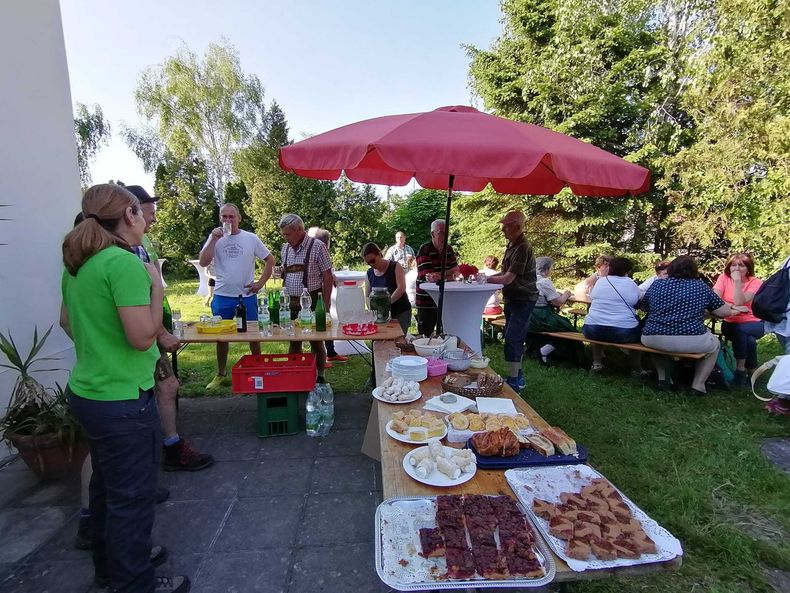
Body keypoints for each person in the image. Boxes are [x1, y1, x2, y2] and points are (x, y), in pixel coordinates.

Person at [60, 184, 190, 593]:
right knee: (132, 500)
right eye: (139, 211)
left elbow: (66, 322)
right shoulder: (122, 263)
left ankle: (109, 571)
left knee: (105, 490)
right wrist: (157, 288)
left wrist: (100, 347)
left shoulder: (79, 265)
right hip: (123, 400)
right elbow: (141, 337)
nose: (145, 219)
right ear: (129, 215)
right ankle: (135, 583)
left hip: (89, 393)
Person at [126, 185, 214, 470]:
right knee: (163, 387)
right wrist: (161, 333)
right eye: (148, 212)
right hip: (144, 334)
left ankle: (165, 446)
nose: (153, 218)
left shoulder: (142, 242)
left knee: (164, 386)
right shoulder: (124, 252)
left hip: (151, 328)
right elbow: (138, 297)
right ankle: (168, 449)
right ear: (131, 212)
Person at [640, 256, 747, 394]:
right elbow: (723, 312)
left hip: (652, 337)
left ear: (671, 269)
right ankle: (698, 385)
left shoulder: (657, 284)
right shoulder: (700, 286)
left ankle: (663, 378)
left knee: (658, 348)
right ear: (694, 270)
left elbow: (644, 306)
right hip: (690, 339)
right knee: (715, 344)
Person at [199, 204, 275, 390]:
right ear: (220, 218)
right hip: (222, 295)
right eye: (224, 216)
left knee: (253, 335)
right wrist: (213, 239)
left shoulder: (250, 238)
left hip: (246, 295)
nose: (227, 220)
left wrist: (260, 283)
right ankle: (221, 373)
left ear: (239, 218)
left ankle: (258, 368)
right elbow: (203, 261)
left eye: (231, 216)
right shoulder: (215, 238)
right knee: (221, 337)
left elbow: (270, 260)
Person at [487, 211, 539, 392]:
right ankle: (516, 376)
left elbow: (508, 278)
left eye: (506, 226)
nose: (502, 229)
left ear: (517, 227)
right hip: (513, 299)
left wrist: (485, 279)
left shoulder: (523, 247)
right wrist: (484, 276)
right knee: (513, 338)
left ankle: (515, 381)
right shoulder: (513, 245)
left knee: (513, 338)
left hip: (523, 299)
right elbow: (504, 273)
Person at [279, 214, 334, 382]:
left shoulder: (318, 246)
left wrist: (325, 304)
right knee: (293, 340)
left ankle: (320, 376)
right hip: (290, 302)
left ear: (299, 230)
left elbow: (328, 276)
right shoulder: (285, 248)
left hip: (312, 301)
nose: (285, 238)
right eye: (284, 234)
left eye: (288, 234)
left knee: (316, 341)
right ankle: (295, 375)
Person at [582, 257, 646, 375]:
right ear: (628, 271)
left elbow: (592, 296)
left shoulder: (601, 281)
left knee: (598, 323)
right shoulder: (630, 283)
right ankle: (637, 369)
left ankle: (597, 363)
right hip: (623, 332)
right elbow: (637, 299)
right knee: (641, 331)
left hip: (592, 329)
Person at [712, 252, 765, 386]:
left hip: (754, 323)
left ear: (748, 268)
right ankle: (752, 370)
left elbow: (740, 301)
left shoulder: (756, 282)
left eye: (741, 266)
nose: (736, 269)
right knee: (749, 340)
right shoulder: (723, 278)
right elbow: (715, 300)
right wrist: (733, 306)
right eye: (733, 265)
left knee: (741, 330)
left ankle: (740, 369)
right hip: (730, 322)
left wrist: (737, 281)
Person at [307, 226, 348, 364]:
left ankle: (330, 352)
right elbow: (323, 274)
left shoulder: (318, 249)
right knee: (318, 325)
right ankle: (319, 358)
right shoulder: (319, 249)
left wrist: (332, 275)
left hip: (322, 292)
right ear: (327, 242)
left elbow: (327, 271)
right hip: (318, 294)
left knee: (326, 322)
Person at [527, 256, 577, 366]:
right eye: (551, 268)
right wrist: (567, 294)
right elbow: (558, 303)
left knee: (562, 324)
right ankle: (545, 351)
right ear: (546, 269)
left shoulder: (529, 279)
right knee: (567, 327)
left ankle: (541, 349)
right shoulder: (544, 282)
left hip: (528, 316)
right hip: (540, 317)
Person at [415, 219, 460, 336]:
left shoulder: (449, 249)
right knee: (425, 336)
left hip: (445, 300)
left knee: (447, 335)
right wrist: (449, 274)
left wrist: (441, 275)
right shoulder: (425, 249)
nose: (445, 237)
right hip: (426, 301)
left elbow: (457, 272)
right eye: (441, 233)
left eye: (447, 233)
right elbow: (430, 277)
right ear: (432, 234)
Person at [362, 242, 412, 333]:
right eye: (368, 263)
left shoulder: (395, 266)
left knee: (398, 339)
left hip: (399, 312)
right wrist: (373, 311)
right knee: (380, 339)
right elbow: (367, 296)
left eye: (373, 261)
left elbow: (401, 288)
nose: (371, 265)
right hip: (379, 316)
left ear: (379, 254)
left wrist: (385, 304)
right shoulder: (369, 273)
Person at [763, 255, 790, 415]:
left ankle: (783, 399)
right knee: (788, 360)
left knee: (788, 359)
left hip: (781, 317)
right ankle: (784, 401)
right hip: (785, 318)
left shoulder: (788, 260)